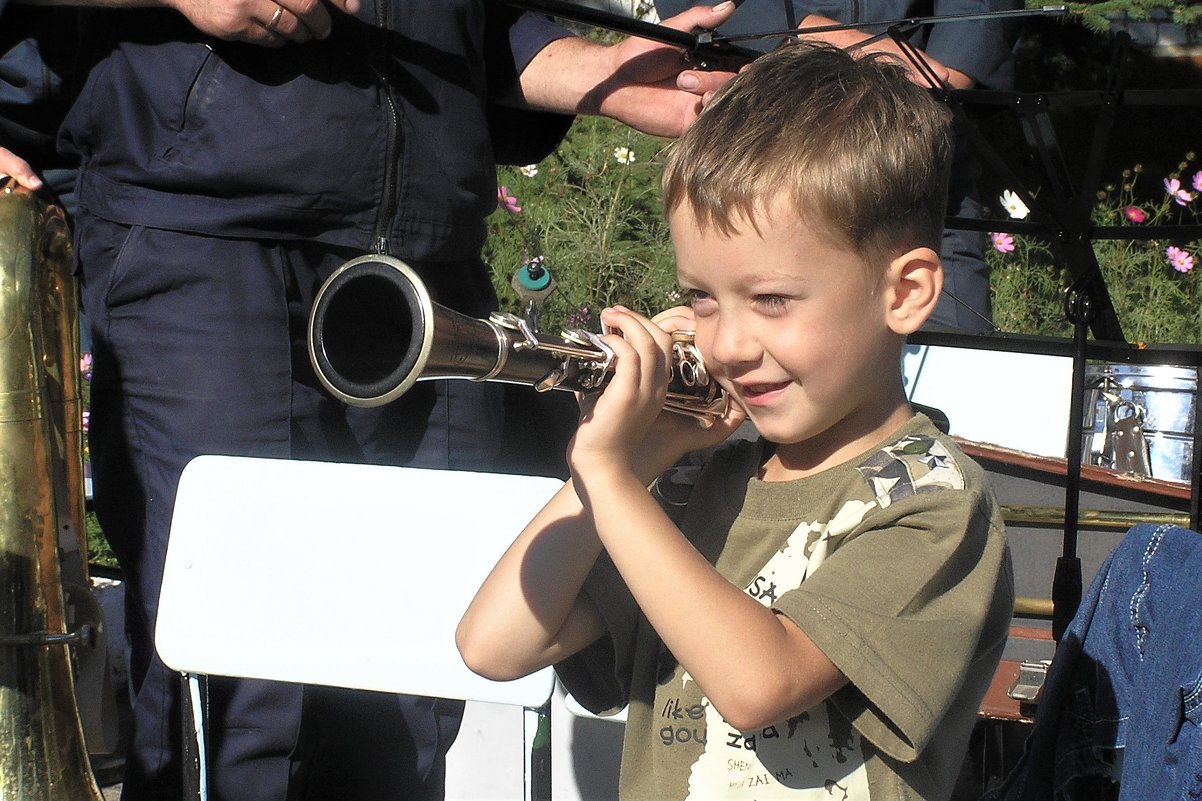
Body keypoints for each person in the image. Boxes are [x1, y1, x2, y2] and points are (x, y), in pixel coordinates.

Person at [34, 1, 741, 799]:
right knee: (237, 691)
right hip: (206, 240)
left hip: (428, 254)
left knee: (412, 681)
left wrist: (590, 72)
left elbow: (470, 21)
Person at [457, 41, 1014, 800]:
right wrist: (634, 464)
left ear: (906, 292)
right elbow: (492, 643)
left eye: (773, 300)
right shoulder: (703, 487)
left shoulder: (934, 502)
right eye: (705, 298)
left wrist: (614, 479)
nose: (727, 343)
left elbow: (760, 681)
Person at [657, 0, 1024, 331]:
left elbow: (973, 25)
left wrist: (943, 78)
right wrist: (801, 31)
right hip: (757, 161)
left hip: (923, 168)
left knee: (952, 359)